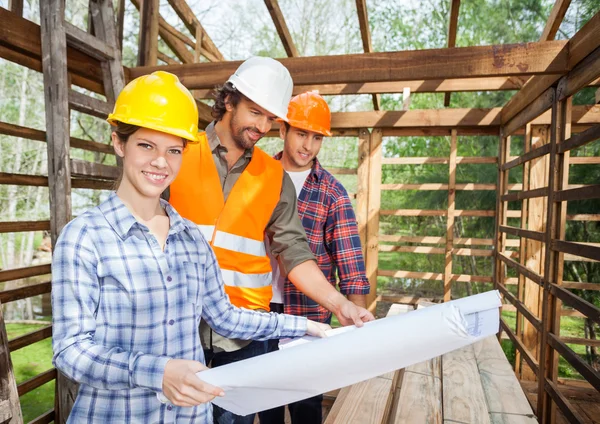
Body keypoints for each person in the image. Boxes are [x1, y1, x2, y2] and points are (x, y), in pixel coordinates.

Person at [51, 71, 329, 424]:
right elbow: (70, 350)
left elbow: (226, 316)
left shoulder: (191, 240)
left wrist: (301, 326)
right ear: (120, 144)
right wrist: (158, 373)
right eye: (146, 145)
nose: (160, 162)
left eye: (173, 150)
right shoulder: (84, 238)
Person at [168, 57, 373, 424]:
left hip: (245, 332)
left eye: (270, 118)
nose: (262, 126)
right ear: (229, 101)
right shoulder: (179, 153)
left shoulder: (272, 175)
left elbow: (295, 252)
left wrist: (340, 304)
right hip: (179, 325)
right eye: (255, 112)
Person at [261, 91, 370, 424]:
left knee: (306, 406)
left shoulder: (332, 193)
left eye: (316, 137)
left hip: (309, 314)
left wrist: (358, 332)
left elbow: (351, 266)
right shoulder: (257, 177)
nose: (307, 145)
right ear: (282, 130)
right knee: (264, 402)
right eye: (301, 133)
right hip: (257, 310)